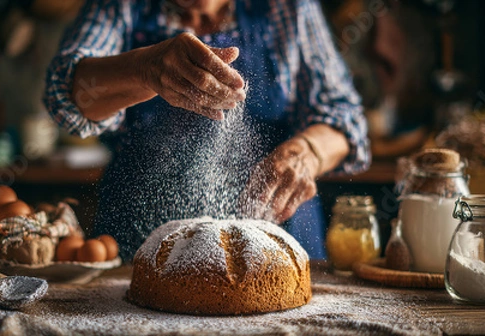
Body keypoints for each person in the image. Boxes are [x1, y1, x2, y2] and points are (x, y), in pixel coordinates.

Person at [44, 0, 371, 260]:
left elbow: (345, 118)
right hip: (141, 247)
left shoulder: (287, 7)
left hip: (275, 239)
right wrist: (145, 69)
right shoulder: (122, 6)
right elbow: (65, 94)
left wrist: (307, 154)